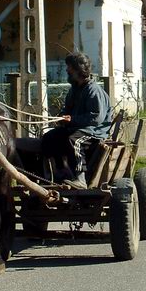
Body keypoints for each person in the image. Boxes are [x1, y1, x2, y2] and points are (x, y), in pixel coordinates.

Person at [41, 52, 112, 189]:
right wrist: (62, 117)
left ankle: (80, 179)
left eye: (70, 68)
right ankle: (61, 172)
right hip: (76, 128)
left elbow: (96, 118)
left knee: (74, 140)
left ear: (79, 70)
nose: (67, 70)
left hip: (94, 131)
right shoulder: (74, 90)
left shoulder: (93, 90)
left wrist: (72, 119)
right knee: (49, 137)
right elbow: (67, 110)